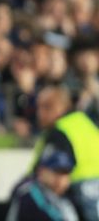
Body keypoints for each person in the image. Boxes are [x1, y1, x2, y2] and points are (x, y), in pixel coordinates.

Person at [28, 85, 99, 221]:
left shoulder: (60, 132)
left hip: (78, 196)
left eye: (47, 107)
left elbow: (46, 175)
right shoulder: (87, 122)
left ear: (61, 106)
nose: (39, 114)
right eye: (38, 107)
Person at [8, 146, 79, 221]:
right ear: (41, 171)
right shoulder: (29, 193)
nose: (61, 179)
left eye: (66, 173)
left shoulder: (67, 196)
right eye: (57, 172)